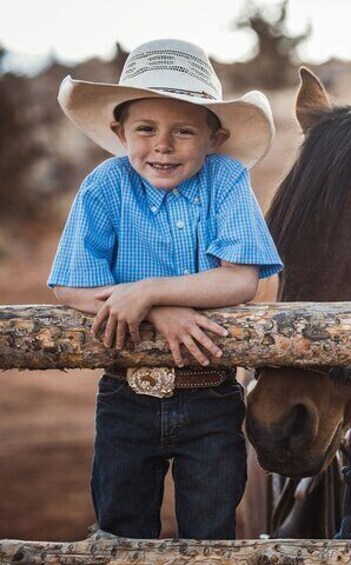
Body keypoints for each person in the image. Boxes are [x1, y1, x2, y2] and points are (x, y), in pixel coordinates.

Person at [48, 38, 283, 539]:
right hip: (125, 395)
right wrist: (158, 313)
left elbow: (242, 279)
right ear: (119, 132)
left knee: (211, 532)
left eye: (183, 131)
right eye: (146, 130)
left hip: (212, 396)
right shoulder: (104, 186)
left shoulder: (227, 181)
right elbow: (70, 284)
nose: (163, 145)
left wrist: (150, 291)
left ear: (214, 138)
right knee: (121, 531)